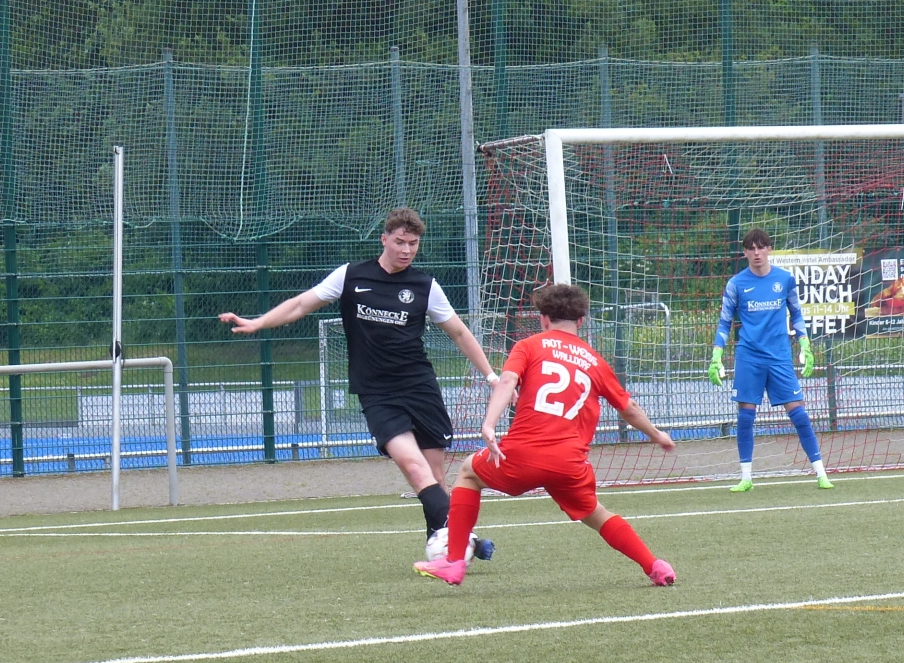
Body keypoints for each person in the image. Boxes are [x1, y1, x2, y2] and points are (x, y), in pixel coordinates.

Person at [220, 207, 499, 559]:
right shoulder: (351, 275)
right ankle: (463, 543)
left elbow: (458, 332)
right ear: (384, 239)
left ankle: (446, 550)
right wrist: (259, 322)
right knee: (413, 468)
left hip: (420, 388)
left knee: (434, 476)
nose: (406, 250)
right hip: (377, 393)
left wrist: (491, 376)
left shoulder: (425, 286)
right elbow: (301, 304)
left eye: (413, 244)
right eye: (400, 242)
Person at [415, 282, 676, 587]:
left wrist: (489, 424)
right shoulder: (595, 361)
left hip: (523, 455)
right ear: (581, 321)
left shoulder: (529, 346)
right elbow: (628, 408)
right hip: (570, 463)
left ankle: (454, 561)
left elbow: (507, 381)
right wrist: (657, 435)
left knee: (468, 473)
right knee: (596, 514)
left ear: (543, 319)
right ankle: (655, 566)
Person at [707, 228, 832, 492]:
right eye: (751, 248)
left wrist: (805, 343)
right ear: (744, 252)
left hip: (779, 357)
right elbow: (725, 322)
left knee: (799, 414)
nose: (756, 253)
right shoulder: (736, 284)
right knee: (745, 416)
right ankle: (746, 478)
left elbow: (796, 314)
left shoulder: (785, 279)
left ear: (769, 249)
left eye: (761, 247)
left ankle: (821, 473)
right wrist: (717, 354)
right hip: (749, 357)